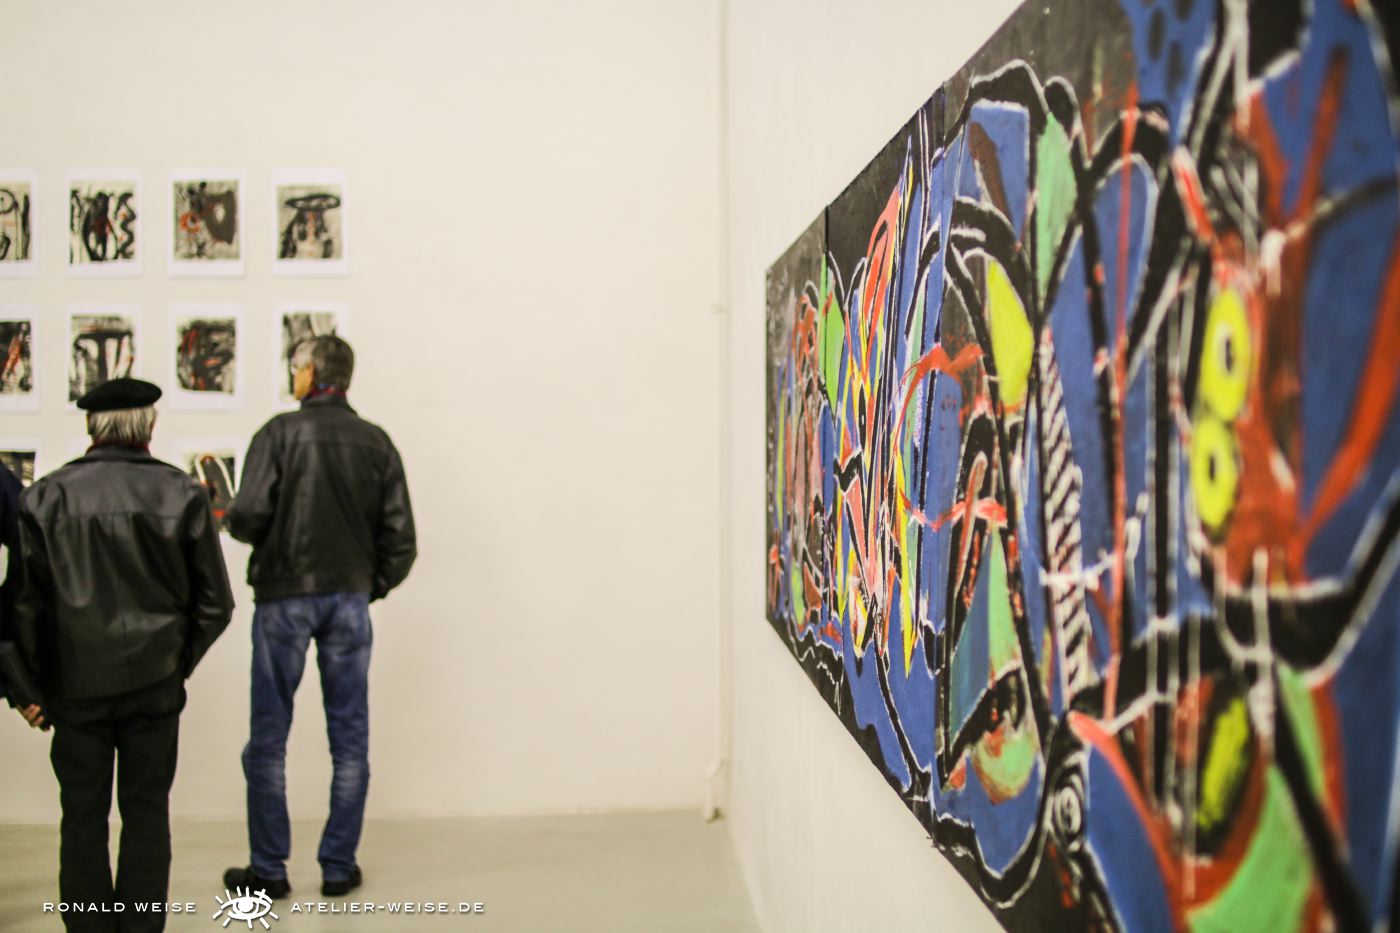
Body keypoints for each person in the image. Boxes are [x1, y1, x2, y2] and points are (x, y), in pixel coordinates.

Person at [10, 378, 234, 933]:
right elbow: (216, 605)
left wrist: (30, 689)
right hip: (154, 688)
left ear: (91, 426)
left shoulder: (45, 497)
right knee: (147, 813)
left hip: (75, 689)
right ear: (149, 425)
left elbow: (24, 607)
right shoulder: (181, 493)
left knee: (82, 816)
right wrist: (174, 663)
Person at [223, 335, 416, 900]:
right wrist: (368, 586)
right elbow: (401, 540)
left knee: (268, 737)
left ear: (310, 373)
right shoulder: (376, 442)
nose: (293, 376)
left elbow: (248, 516)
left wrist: (229, 515)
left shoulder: (278, 434)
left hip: (283, 597)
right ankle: (337, 867)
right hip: (348, 600)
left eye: (296, 367)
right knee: (350, 738)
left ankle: (268, 871)